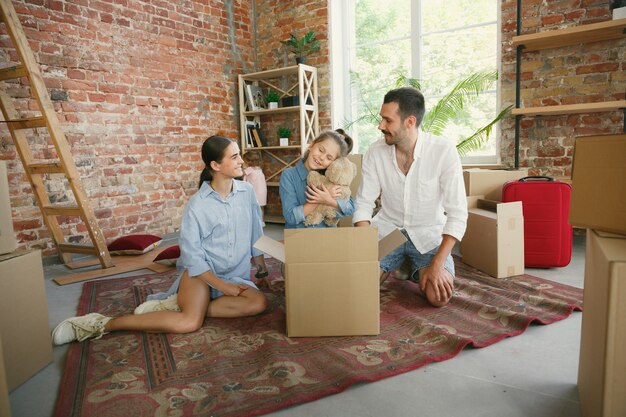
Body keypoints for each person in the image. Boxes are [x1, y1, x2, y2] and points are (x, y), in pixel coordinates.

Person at [52, 136, 268, 345]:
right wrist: (223, 287)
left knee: (259, 303)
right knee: (189, 322)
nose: (241, 161)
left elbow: (255, 232)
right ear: (216, 165)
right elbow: (193, 258)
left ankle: (180, 306)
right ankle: (101, 324)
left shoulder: (247, 192)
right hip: (202, 276)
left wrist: (261, 268)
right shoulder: (197, 205)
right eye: (235, 156)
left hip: (234, 275)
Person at [353, 87, 467, 308]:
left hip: (428, 234)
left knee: (438, 298)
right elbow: (364, 203)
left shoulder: (443, 151)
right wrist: (364, 249)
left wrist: (437, 264)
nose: (380, 126)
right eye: (381, 119)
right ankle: (404, 265)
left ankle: (415, 266)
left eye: (387, 120)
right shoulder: (375, 152)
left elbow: (457, 213)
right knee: (358, 285)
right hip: (388, 231)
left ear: (410, 122)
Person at [279, 130, 355, 229]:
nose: (322, 157)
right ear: (312, 145)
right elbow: (291, 217)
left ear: (334, 162)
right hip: (299, 238)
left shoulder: (333, 179)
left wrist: (330, 200)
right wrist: (319, 200)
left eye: (329, 158)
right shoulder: (289, 175)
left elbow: (350, 209)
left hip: (327, 238)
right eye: (321, 150)